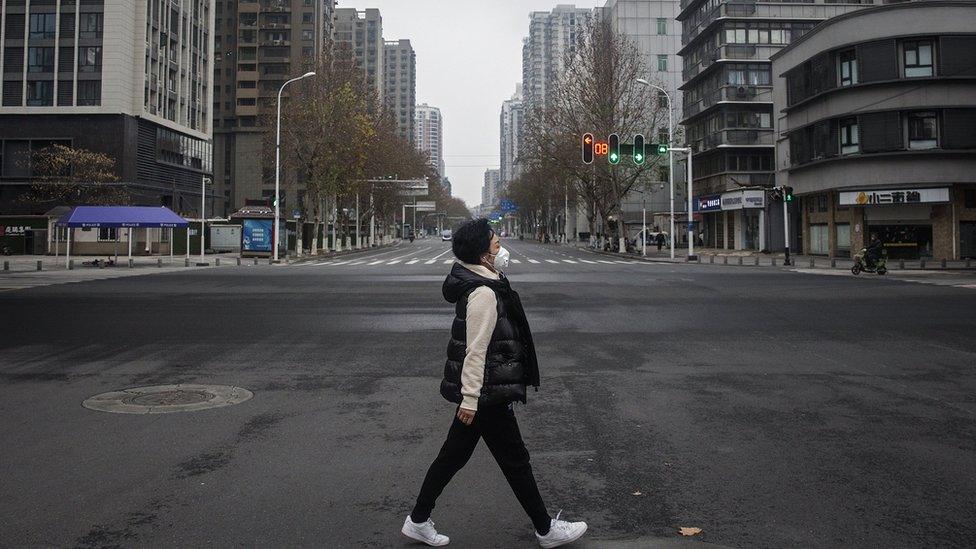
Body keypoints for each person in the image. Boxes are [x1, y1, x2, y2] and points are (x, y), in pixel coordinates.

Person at [402, 218, 587, 548]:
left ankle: (417, 519)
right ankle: (546, 530)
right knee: (515, 461)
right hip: (487, 392)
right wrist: (471, 399)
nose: (502, 250)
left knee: (453, 457)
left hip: (486, 391)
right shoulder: (484, 292)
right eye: (497, 245)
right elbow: (475, 350)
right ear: (483, 255)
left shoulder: (489, 283)